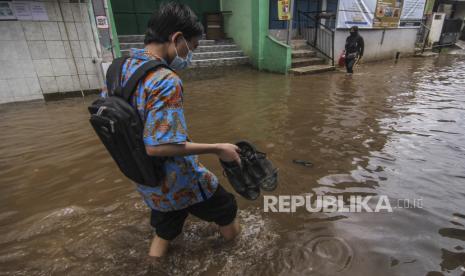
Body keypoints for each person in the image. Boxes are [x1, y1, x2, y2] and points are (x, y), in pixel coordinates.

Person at [101, 2, 241, 257]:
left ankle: (154, 265)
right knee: (226, 208)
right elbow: (158, 146)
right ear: (177, 38)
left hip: (144, 175)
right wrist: (218, 148)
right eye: (193, 46)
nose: (191, 54)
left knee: (166, 226)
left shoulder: (117, 68)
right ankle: (236, 255)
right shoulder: (165, 79)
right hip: (177, 178)